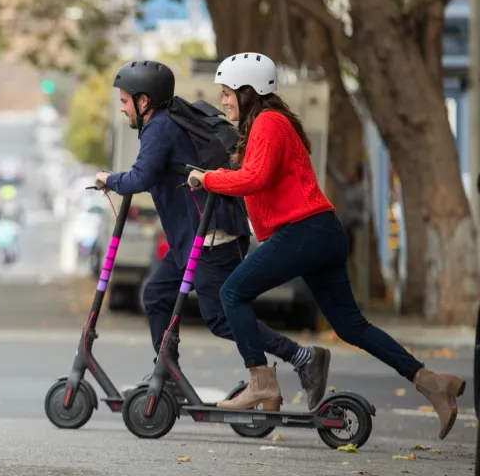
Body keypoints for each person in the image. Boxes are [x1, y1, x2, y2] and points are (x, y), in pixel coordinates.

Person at [187, 52, 465, 439]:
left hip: (303, 231)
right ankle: (432, 382)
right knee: (351, 326)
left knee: (232, 292)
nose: (223, 100)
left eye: (227, 92)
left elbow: (255, 179)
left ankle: (261, 382)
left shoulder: (269, 122)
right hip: (319, 232)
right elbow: (257, 178)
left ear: (248, 91)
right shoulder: (267, 124)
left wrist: (209, 178)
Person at [95, 60, 331, 407]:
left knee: (221, 317)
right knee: (157, 296)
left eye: (125, 100)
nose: (122, 106)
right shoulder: (168, 118)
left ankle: (301, 357)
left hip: (211, 237)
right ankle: (168, 374)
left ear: (144, 101)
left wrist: (108, 179)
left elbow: (140, 177)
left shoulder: (161, 127)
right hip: (190, 240)